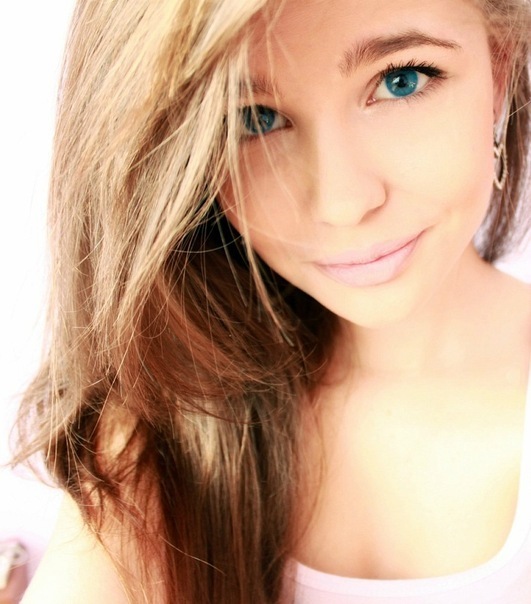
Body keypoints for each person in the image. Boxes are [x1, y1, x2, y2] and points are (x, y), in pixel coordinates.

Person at [15, 0, 531, 602]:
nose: (341, 204)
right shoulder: (162, 419)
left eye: (401, 80)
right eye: (254, 119)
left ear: (500, 68)